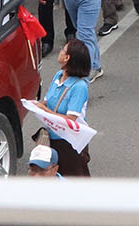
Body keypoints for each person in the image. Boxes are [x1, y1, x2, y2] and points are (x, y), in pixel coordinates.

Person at [41, 40, 93, 176]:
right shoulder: (58, 76)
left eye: (62, 50)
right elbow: (48, 101)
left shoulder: (79, 87)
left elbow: (70, 119)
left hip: (70, 142)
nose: (60, 51)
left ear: (67, 58)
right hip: (54, 137)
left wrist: (45, 111)